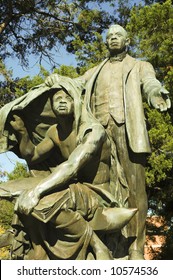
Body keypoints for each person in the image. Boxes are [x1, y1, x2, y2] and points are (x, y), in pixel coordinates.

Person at [45, 24, 171, 259]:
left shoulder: (140, 66)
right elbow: (75, 84)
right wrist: (58, 78)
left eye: (118, 36)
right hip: (98, 136)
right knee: (100, 188)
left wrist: (155, 94)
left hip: (127, 131)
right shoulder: (94, 71)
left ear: (127, 40)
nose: (113, 38)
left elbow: (150, 82)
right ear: (106, 42)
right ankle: (103, 245)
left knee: (136, 192)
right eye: (110, 36)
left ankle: (135, 247)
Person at [2, 84, 136, 260]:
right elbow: (33, 156)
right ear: (51, 106)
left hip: (97, 193)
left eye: (67, 98)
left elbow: (72, 165)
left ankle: (96, 245)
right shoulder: (54, 132)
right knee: (9, 191)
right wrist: (22, 132)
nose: (62, 102)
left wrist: (37, 191)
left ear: (77, 103)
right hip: (74, 187)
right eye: (57, 99)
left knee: (41, 200)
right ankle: (38, 250)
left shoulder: (93, 131)